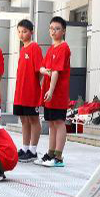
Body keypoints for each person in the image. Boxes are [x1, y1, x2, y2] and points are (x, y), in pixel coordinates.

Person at [37, 16, 71, 168]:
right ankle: (50, 153)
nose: (53, 31)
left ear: (63, 31)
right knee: (51, 123)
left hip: (58, 92)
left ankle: (58, 157)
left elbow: (56, 71)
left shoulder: (64, 48)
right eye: (51, 28)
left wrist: (51, 90)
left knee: (59, 122)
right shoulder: (52, 48)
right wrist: (44, 70)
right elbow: (43, 68)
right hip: (49, 92)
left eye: (57, 29)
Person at [12, 19, 43, 162]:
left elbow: (40, 70)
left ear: (31, 32)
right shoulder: (22, 49)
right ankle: (25, 148)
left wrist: (35, 86)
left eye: (24, 31)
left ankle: (33, 150)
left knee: (33, 119)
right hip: (20, 92)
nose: (21, 34)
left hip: (31, 92)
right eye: (19, 31)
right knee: (24, 120)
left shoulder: (34, 47)